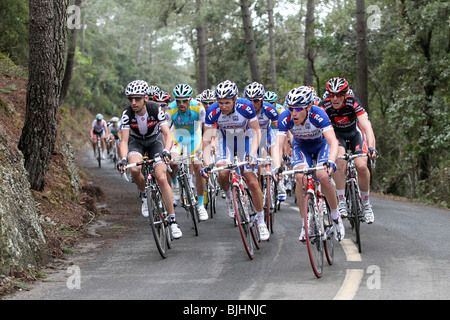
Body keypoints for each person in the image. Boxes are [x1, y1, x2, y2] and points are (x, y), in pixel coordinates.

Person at [272, 86, 345, 241]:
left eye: (298, 108)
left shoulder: (318, 114)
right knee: (300, 178)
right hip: (301, 147)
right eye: (291, 108)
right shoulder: (284, 118)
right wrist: (277, 166)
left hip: (321, 145)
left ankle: (335, 216)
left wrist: (331, 161)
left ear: (309, 107)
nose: (294, 113)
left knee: (323, 176)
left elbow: (333, 142)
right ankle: (306, 224)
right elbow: (278, 146)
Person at [201, 80, 269, 241]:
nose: (223, 106)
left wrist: (252, 154)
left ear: (235, 100)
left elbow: (256, 131)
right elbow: (206, 140)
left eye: (227, 102)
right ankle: (229, 198)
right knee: (223, 173)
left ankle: (261, 221)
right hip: (226, 142)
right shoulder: (212, 111)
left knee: (251, 180)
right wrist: (205, 164)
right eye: (220, 103)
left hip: (246, 139)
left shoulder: (246, 106)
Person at [116, 80, 182, 239]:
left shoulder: (155, 109)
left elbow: (167, 134)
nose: (133, 102)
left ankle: (173, 222)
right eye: (130, 99)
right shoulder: (127, 114)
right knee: (134, 169)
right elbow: (124, 141)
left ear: (145, 98)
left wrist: (166, 150)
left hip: (155, 142)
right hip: (136, 143)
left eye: (137, 98)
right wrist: (123, 159)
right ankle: (145, 194)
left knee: (160, 177)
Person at [319, 77, 378, 224]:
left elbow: (366, 126)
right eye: (331, 94)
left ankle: (366, 204)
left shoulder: (353, 102)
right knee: (339, 163)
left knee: (362, 166)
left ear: (345, 95)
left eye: (339, 95)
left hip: (355, 134)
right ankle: (342, 201)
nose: (335, 98)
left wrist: (372, 147)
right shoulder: (324, 105)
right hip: (337, 137)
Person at [165, 83, 209, 221]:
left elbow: (205, 129)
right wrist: (165, 149)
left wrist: (203, 147)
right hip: (177, 135)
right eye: (178, 101)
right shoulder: (170, 109)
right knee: (172, 163)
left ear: (190, 99)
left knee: (197, 166)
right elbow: (165, 132)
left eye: (185, 100)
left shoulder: (199, 107)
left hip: (194, 136)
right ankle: (175, 183)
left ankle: (200, 205)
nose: (181, 104)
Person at [244, 82, 286, 202]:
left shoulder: (269, 109)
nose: (253, 104)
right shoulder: (244, 109)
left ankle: (280, 181)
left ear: (262, 99)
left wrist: (282, 146)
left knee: (276, 152)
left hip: (267, 134)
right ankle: (258, 194)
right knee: (256, 168)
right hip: (251, 136)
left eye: (256, 100)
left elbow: (279, 129)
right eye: (250, 100)